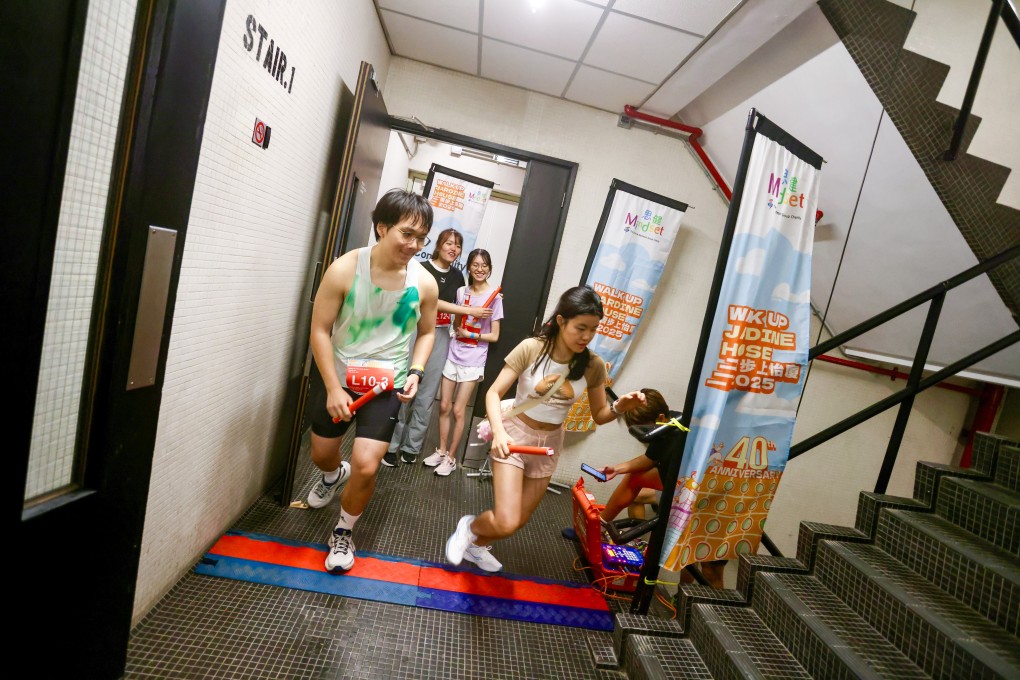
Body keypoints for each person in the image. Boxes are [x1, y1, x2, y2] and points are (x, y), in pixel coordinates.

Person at [444, 286, 647, 572]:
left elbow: (600, 415)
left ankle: (476, 545)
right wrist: (499, 433)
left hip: (549, 444)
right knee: (506, 520)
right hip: (514, 435)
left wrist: (619, 407)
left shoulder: (592, 365)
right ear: (561, 321)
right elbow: (493, 393)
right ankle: (469, 527)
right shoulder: (532, 348)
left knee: (519, 521)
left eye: (593, 329)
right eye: (580, 328)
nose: (587, 336)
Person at [304, 188, 439, 573]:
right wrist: (333, 387)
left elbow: (427, 333)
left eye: (422, 238)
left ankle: (343, 532)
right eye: (407, 234)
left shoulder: (424, 283)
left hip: (386, 384)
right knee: (321, 454)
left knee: (366, 464)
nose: (414, 245)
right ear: (382, 227)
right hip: (338, 378)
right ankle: (333, 475)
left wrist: (415, 371)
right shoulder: (345, 269)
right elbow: (319, 330)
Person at [593, 388, 726, 589]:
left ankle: (696, 600)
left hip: (707, 498)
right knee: (636, 479)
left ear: (661, 417)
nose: (643, 437)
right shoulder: (667, 425)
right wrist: (617, 469)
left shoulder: (678, 434)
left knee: (707, 566)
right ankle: (600, 527)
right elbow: (650, 458)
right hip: (678, 486)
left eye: (644, 430)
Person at [385, 229, 493, 467]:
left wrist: (490, 303)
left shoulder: (458, 276)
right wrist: (468, 311)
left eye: (457, 245)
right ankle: (391, 445)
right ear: (438, 245)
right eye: (448, 243)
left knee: (427, 393)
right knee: (403, 387)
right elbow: (430, 300)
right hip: (414, 330)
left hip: (441, 334)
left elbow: (466, 301)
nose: (453, 248)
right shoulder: (420, 268)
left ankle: (412, 446)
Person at [430, 248, 503, 476]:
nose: (480, 269)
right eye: (475, 265)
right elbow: (456, 324)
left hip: (473, 359)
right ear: (469, 267)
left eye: (484, 265)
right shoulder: (461, 292)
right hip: (454, 353)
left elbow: (495, 336)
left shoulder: (495, 298)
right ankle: (442, 451)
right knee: (444, 405)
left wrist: (472, 334)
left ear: (489, 268)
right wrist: (460, 328)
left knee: (458, 410)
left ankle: (451, 458)